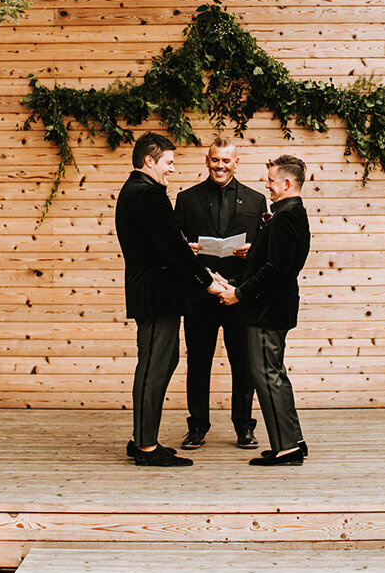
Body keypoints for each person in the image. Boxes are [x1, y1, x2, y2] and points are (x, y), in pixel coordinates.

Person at [115, 132, 224, 467]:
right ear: (150, 161)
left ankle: (142, 438)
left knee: (159, 362)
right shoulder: (149, 194)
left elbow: (159, 241)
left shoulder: (135, 191)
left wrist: (180, 248)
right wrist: (208, 281)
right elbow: (172, 250)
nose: (173, 169)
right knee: (154, 365)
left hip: (152, 290)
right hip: (156, 294)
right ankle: (146, 446)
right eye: (169, 162)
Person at [217, 155, 310, 466]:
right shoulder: (291, 214)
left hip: (267, 311)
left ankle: (285, 449)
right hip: (273, 308)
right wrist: (236, 276)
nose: (267, 186)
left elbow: (275, 269)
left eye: (271, 181)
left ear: (286, 183)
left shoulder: (286, 218)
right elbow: (270, 261)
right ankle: (293, 440)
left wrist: (239, 294)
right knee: (276, 375)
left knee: (267, 376)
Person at [174, 138, 267, 449]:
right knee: (198, 363)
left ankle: (244, 427)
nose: (220, 165)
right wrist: (184, 249)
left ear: (236, 163)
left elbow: (267, 249)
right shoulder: (186, 199)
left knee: (244, 364)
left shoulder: (256, 201)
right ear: (207, 160)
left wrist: (253, 251)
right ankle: (197, 427)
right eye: (215, 160)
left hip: (240, 294)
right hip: (201, 295)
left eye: (226, 161)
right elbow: (173, 246)